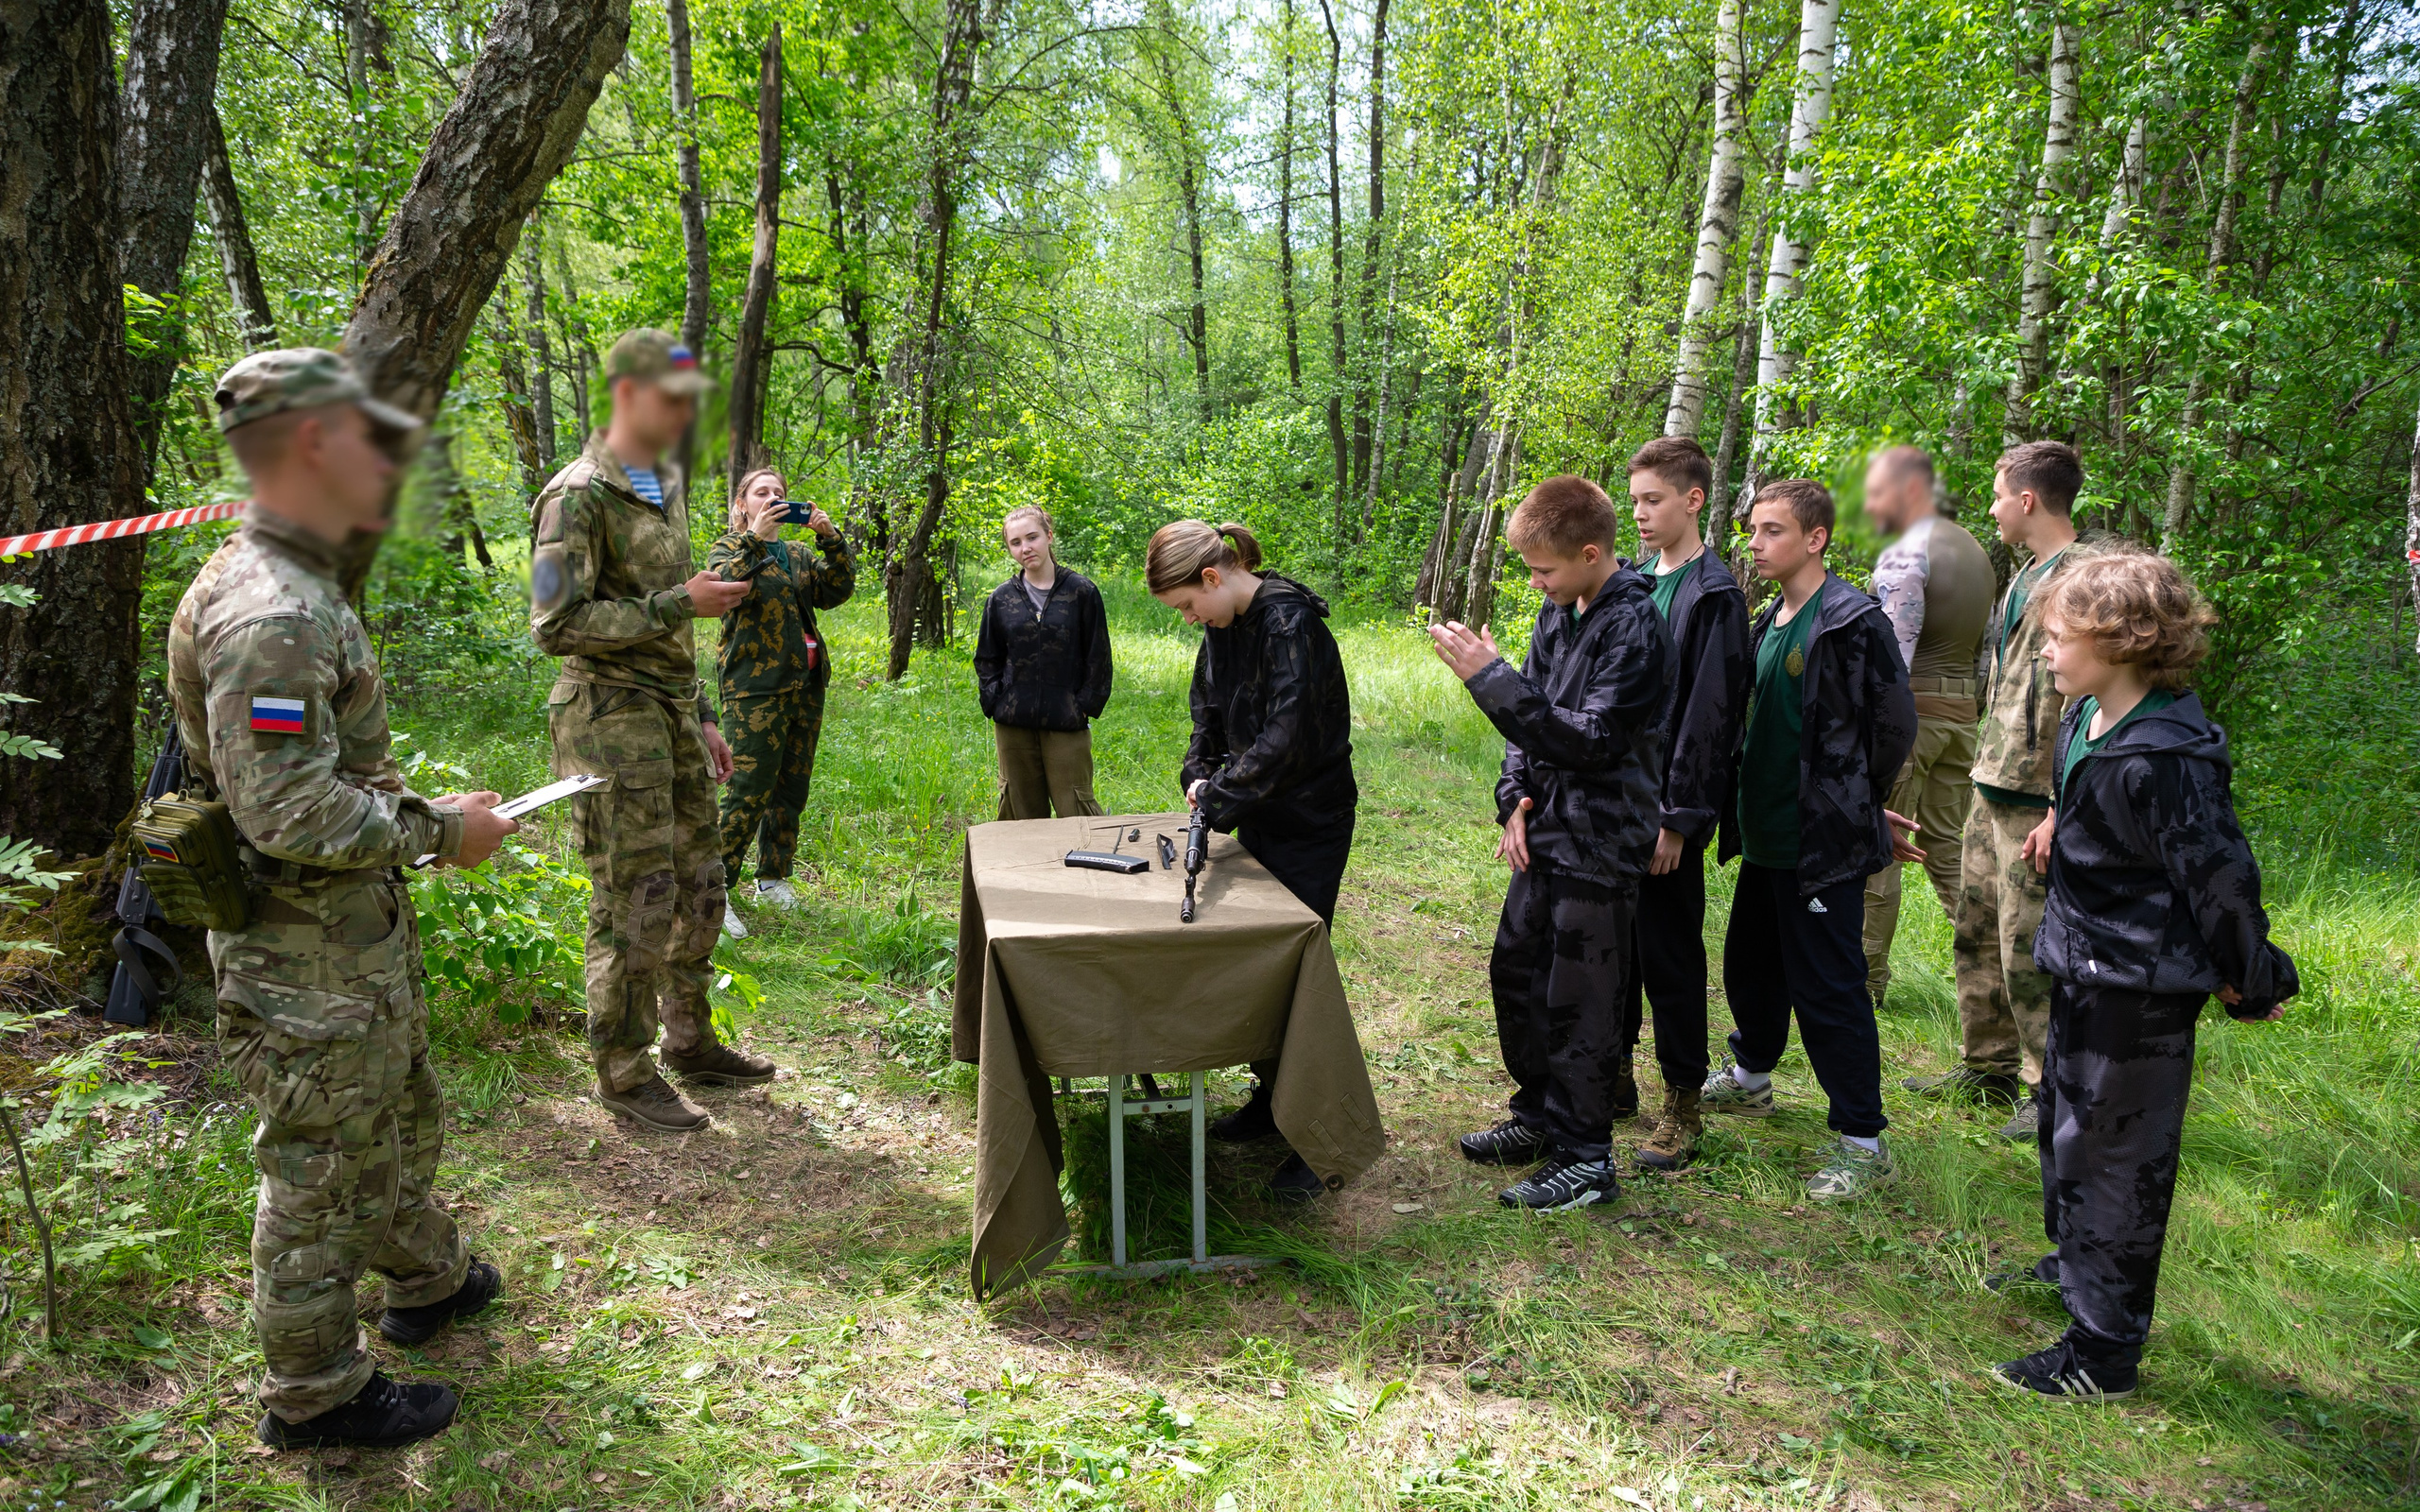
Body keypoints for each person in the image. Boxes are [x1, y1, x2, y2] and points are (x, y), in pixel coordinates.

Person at [170, 349, 518, 1448]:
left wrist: (421, 811)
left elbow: (330, 775)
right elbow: (286, 814)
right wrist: (440, 833)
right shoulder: (268, 611)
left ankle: (426, 1279)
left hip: (347, 939)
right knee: (320, 1162)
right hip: (301, 956)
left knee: (394, 1118)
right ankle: (315, 1393)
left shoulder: (302, 583)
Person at [1991, 549, 2296, 1400]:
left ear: (2121, 641)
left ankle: (2104, 1353)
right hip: (2083, 965)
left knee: (2118, 1160)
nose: (2045, 652)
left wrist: (2252, 977)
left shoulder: (2167, 758)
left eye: (2057, 638)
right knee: (2066, 1134)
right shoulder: (2086, 721)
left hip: (2140, 988)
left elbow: (2221, 880)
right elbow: (2085, 809)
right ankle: (2074, 1262)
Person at [529, 328, 773, 1133]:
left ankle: (690, 1040)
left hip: (668, 711)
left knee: (702, 884)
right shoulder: (574, 495)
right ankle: (623, 1071)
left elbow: (681, 611)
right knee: (637, 895)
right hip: (605, 717)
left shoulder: (662, 480)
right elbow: (553, 622)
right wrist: (677, 606)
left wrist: (702, 714)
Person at [1431, 475, 1670, 1211]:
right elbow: (1528, 730)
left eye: (1544, 569)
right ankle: (1537, 1115)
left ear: (1593, 553)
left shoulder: (1634, 626)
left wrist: (1490, 679)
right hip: (1547, 832)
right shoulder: (1559, 611)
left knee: (1582, 1001)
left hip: (1602, 842)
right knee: (1519, 973)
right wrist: (1515, 801)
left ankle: (1585, 1155)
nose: (1535, 583)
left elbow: (1594, 740)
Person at [1702, 479, 1919, 1201]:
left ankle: (1863, 1140)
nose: (1755, 544)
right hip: (1765, 835)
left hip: (1819, 845)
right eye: (1753, 531)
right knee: (1751, 965)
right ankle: (1752, 1076)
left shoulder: (1852, 621)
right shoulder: (1771, 619)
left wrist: (1854, 802)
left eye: (1771, 532)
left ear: (1815, 538)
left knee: (1829, 990)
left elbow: (1893, 730)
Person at [1150, 520, 1355, 1197]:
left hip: (1310, 820)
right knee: (1252, 968)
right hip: (1255, 811)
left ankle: (1316, 1134)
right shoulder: (1220, 626)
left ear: (1213, 577)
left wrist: (1221, 796)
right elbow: (1208, 711)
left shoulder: (1289, 624)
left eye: (1186, 606)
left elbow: (1288, 736)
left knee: (1295, 973)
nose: (1189, 621)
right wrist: (1198, 772)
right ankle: (1272, 1102)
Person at [1906, 441, 2082, 1141]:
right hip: (1992, 774)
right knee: (1977, 929)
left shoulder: (2082, 578)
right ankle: (1987, 1065)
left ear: (2028, 500)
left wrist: (2062, 805)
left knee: (2030, 945)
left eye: (1999, 493)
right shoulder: (2024, 575)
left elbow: (2091, 704)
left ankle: (2048, 1091)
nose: (1992, 506)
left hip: (2037, 792)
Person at [1616, 438, 1751, 1173]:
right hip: (1617, 801)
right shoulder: (1635, 581)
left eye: (1653, 500)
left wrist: (1680, 817)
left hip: (1668, 810)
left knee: (1668, 952)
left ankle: (1682, 1104)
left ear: (1693, 499)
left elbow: (1711, 716)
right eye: (1634, 500)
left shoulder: (1714, 596)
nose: (1639, 513)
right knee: (1615, 944)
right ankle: (1612, 1077)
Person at [1858, 446, 1993, 1008]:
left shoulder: (1906, 554)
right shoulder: (1978, 553)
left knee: (1878, 847)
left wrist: (1873, 732)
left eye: (1876, 492)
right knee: (1948, 853)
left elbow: (1894, 658)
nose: (1867, 506)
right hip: (1962, 722)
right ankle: (1995, 973)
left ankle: (1863, 984)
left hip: (1912, 723)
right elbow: (1988, 652)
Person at [704, 466, 856, 935]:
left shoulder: (796, 553)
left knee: (791, 787)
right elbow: (724, 586)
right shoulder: (729, 547)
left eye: (780, 493)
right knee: (748, 788)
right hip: (755, 687)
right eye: (761, 492)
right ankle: (713, 892)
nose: (772, 498)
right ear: (742, 504)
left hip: (804, 685)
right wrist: (754, 537)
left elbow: (836, 591)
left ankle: (773, 878)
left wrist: (831, 539)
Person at [973, 505, 1114, 819]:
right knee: (1020, 814)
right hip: (1013, 725)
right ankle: (1021, 871)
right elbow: (987, 658)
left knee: (1075, 810)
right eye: (1016, 542)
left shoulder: (1081, 592)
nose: (1026, 548)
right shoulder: (1001, 598)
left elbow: (1098, 656)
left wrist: (1084, 705)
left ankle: (1084, 870)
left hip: (1066, 722)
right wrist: (996, 701)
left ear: (1049, 536)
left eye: (1032, 537)